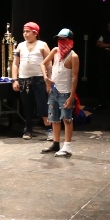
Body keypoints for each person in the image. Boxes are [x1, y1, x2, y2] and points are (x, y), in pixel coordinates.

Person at [40, 29, 80, 157]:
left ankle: (67, 146)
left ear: (70, 41)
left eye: (64, 39)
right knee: (54, 119)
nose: (61, 42)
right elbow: (43, 63)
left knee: (66, 119)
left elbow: (75, 78)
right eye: (59, 39)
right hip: (54, 91)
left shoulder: (73, 56)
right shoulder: (55, 51)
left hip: (65, 92)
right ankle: (56, 143)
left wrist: (71, 96)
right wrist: (46, 78)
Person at [11, 22, 53, 140]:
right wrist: (15, 80)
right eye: (24, 32)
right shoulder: (20, 46)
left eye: (27, 31)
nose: (25, 34)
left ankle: (49, 129)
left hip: (39, 79)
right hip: (24, 80)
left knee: (42, 105)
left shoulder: (42, 45)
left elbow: (49, 64)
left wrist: (49, 80)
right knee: (27, 106)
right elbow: (15, 64)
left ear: (35, 33)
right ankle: (28, 129)